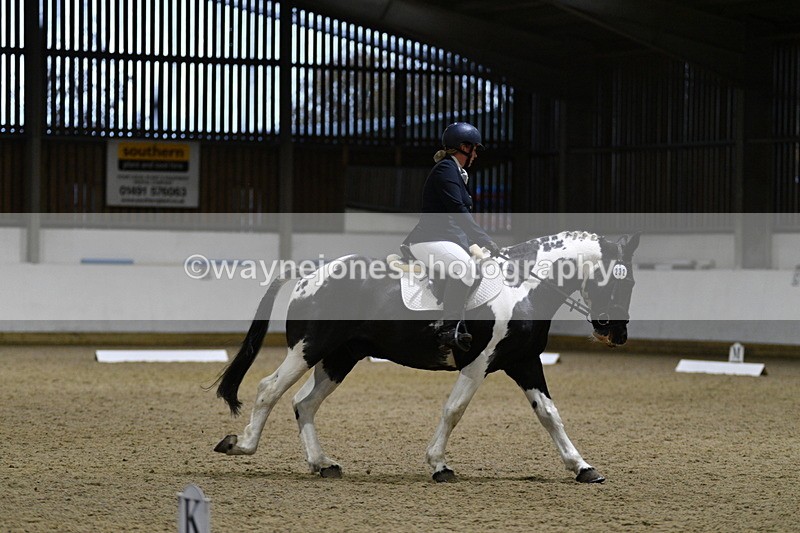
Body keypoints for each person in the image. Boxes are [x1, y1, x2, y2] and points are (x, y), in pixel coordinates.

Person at [404, 122, 501, 353]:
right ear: (463, 147)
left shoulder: (457, 172)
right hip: (428, 240)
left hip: (445, 240)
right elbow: (458, 210)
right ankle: (450, 329)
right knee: (465, 267)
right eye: (474, 149)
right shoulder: (445, 169)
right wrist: (484, 239)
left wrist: (474, 243)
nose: (476, 154)